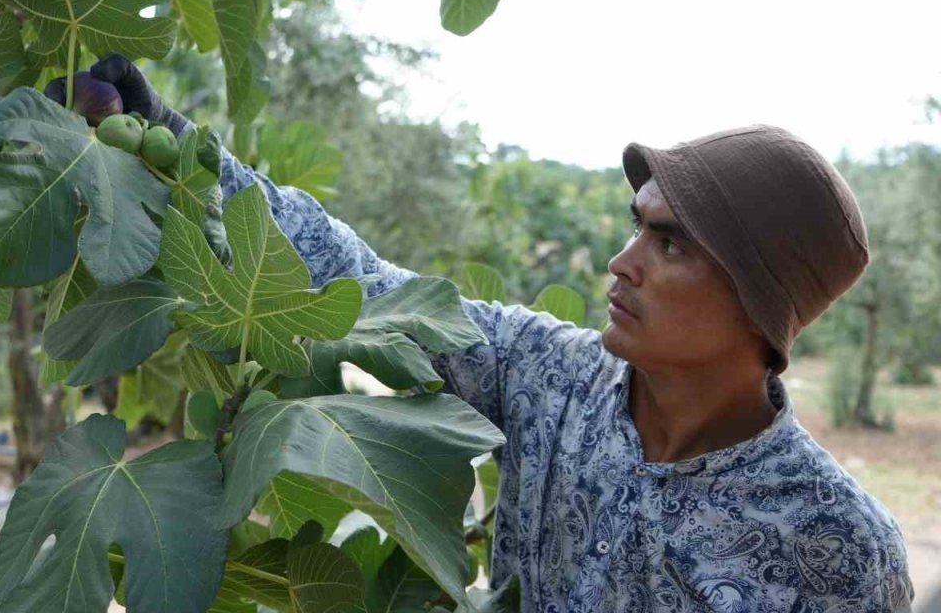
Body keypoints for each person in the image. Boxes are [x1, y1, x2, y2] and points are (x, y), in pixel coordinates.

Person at [73, 55, 914, 612]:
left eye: (671, 244)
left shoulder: (837, 546)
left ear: (759, 300)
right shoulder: (546, 375)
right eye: (635, 229)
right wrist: (177, 149)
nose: (622, 264)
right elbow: (368, 287)